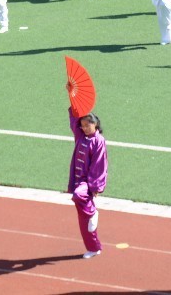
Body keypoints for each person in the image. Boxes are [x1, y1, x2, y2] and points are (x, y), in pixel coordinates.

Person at [67, 108, 108, 260]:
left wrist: (95, 186)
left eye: (87, 125)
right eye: (82, 126)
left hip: (87, 183)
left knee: (79, 196)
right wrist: (72, 97)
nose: (84, 128)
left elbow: (99, 164)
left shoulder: (99, 141)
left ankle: (93, 212)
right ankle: (93, 247)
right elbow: (73, 120)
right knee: (83, 220)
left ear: (95, 124)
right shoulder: (80, 136)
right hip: (77, 180)